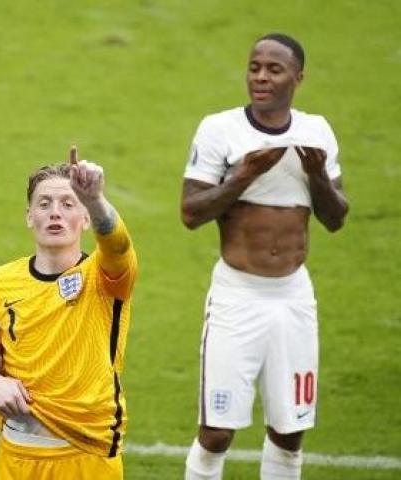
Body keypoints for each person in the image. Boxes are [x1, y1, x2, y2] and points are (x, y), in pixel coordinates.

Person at [180, 33, 349, 480]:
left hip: (293, 299)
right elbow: (190, 213)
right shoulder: (220, 129)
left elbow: (336, 218)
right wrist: (244, 177)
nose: (260, 77)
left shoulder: (317, 132)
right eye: (255, 67)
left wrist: (317, 176)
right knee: (216, 432)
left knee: (290, 433)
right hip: (237, 296)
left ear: (298, 77)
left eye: (274, 69)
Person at [0, 147, 138, 479]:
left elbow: (118, 246)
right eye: (44, 204)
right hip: (17, 456)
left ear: (85, 220)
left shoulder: (104, 275)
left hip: (87, 452)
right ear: (29, 217)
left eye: (68, 204)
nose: (55, 213)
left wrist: (95, 199)